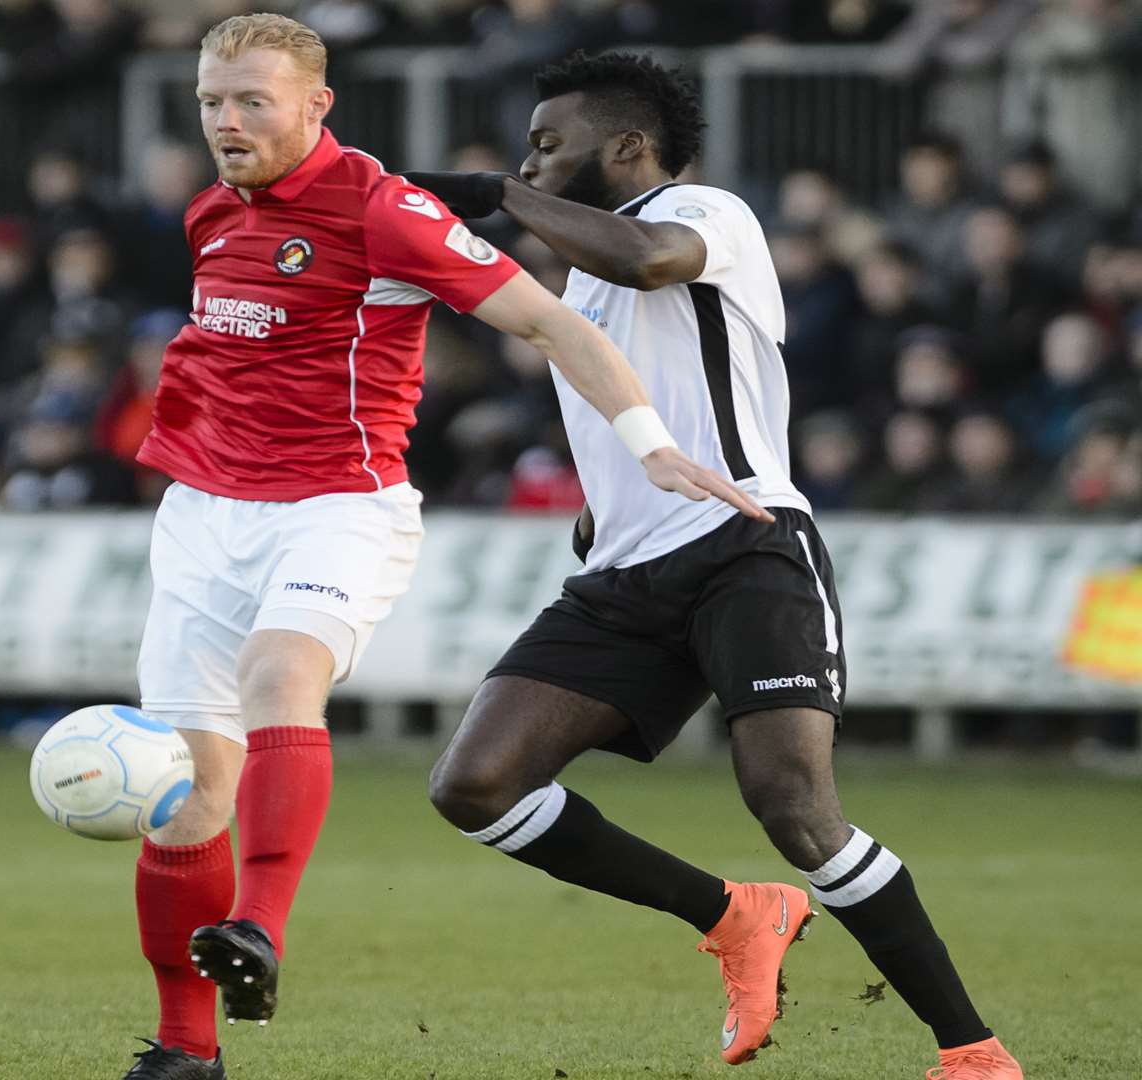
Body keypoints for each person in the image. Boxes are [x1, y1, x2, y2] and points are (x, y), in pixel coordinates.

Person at [121, 18, 765, 1080]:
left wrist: (649, 446)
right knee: (190, 798)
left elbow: (558, 326)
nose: (226, 124)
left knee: (280, 675)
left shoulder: (385, 210)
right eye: (210, 104)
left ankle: (262, 930)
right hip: (201, 519)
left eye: (252, 102)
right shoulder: (209, 215)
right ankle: (186, 1051)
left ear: (316, 106)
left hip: (338, 504)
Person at [404, 52, 1021, 1079]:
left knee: (792, 805)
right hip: (626, 578)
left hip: (748, 547)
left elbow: (651, 260)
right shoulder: (579, 284)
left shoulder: (707, 213)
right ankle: (735, 917)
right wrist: (606, 513)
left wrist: (501, 198)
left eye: (549, 146)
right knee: (476, 784)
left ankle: (972, 1050)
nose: (532, 164)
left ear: (628, 148)